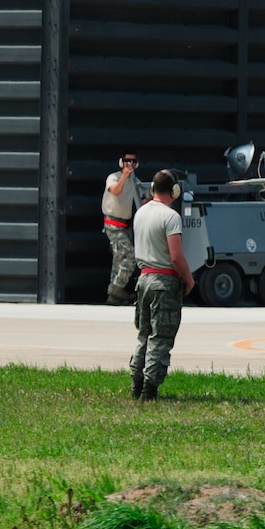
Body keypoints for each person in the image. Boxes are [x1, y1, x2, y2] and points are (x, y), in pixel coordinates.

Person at [129, 170, 194, 400]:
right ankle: (149, 389)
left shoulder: (140, 213)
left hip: (143, 280)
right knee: (160, 337)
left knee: (144, 335)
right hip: (163, 283)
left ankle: (136, 384)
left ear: (152, 188)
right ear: (174, 190)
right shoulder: (170, 217)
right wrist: (189, 279)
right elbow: (176, 257)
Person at [102, 153, 147, 304]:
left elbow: (143, 197)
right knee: (130, 255)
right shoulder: (113, 177)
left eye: (133, 161)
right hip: (113, 224)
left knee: (119, 259)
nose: (130, 163)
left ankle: (113, 295)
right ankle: (117, 288)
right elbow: (115, 191)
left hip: (125, 225)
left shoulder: (135, 181)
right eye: (127, 160)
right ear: (121, 162)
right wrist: (125, 176)